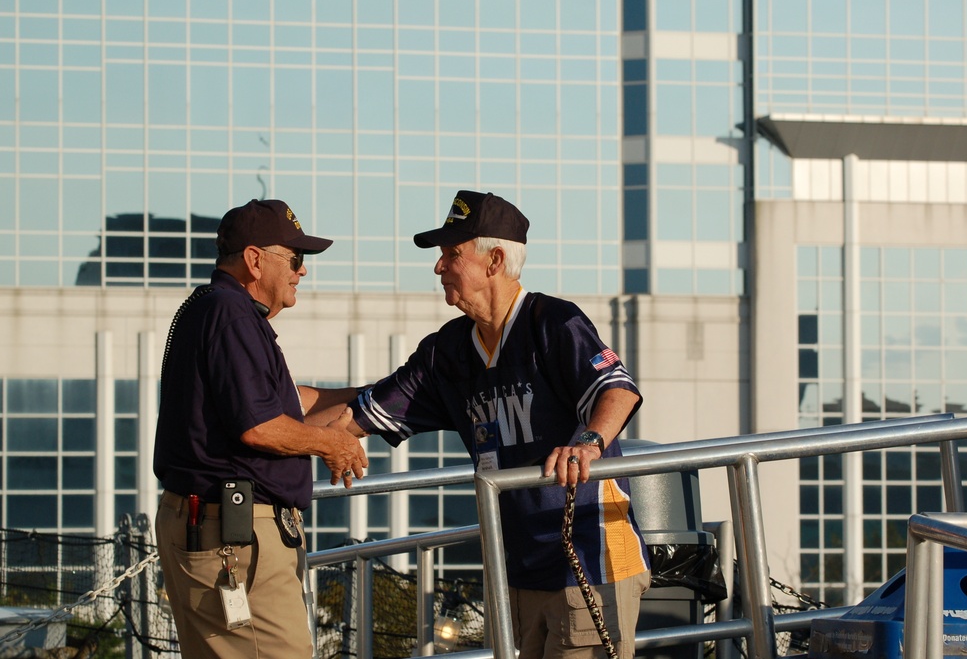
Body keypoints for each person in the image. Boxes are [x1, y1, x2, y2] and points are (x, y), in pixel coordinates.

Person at [304, 190, 651, 658]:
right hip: (515, 571)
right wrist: (263, 415)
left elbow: (618, 389)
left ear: (494, 261)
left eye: (451, 254)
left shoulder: (554, 322)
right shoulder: (445, 352)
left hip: (589, 561)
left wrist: (587, 443)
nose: (438, 267)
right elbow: (357, 412)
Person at [153, 198, 368, 658]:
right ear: (254, 260)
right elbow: (259, 425)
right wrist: (331, 443)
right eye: (295, 259)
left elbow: (288, 402)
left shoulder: (218, 309)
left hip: (215, 529)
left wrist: (378, 397)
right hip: (231, 538)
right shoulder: (230, 315)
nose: (302, 271)